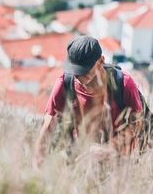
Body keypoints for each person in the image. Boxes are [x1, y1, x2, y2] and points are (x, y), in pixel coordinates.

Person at [34, 36, 144, 167]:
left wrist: (107, 149)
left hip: (119, 162)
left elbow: (137, 125)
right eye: (74, 71)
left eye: (84, 71)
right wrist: (38, 160)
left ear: (101, 61)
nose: (78, 76)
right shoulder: (65, 82)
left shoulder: (124, 83)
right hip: (82, 157)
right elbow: (48, 125)